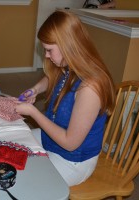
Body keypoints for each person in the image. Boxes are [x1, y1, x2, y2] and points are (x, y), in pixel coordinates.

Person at [15, 10, 115, 186]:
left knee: (24, 181)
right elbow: (51, 77)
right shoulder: (71, 66)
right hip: (52, 140)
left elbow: (70, 143)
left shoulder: (90, 89)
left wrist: (33, 112)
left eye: (49, 50)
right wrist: (35, 89)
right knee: (11, 141)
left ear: (68, 45)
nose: (46, 56)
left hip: (73, 161)